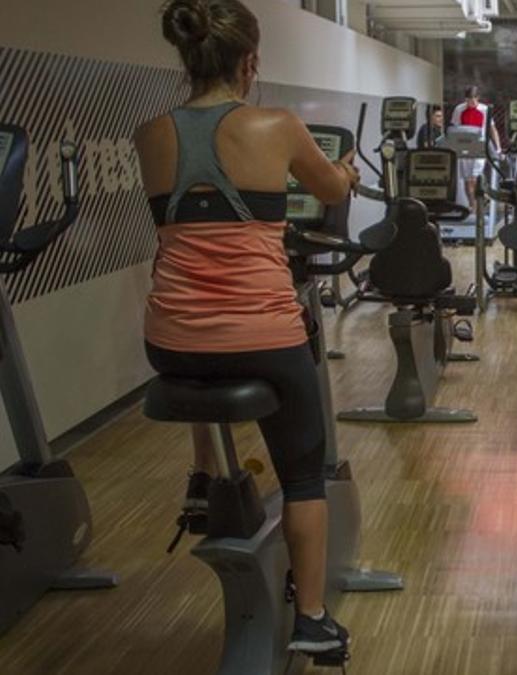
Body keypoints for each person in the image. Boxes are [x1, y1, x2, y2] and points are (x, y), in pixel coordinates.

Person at [134, 0, 361, 655]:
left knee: (199, 349)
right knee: (304, 474)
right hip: (262, 337)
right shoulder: (279, 126)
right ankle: (313, 617)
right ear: (250, 62)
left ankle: (206, 473)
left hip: (169, 339)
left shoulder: (149, 134)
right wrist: (344, 172)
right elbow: (333, 189)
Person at [450, 86, 501, 215]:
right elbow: (455, 128)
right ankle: (473, 205)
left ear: (477, 98)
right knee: (467, 181)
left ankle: (478, 205)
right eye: (468, 99)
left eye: (473, 99)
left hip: (479, 147)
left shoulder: (484, 110)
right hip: (463, 147)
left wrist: (498, 147)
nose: (471, 102)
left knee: (474, 179)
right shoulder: (459, 109)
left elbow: (492, 129)